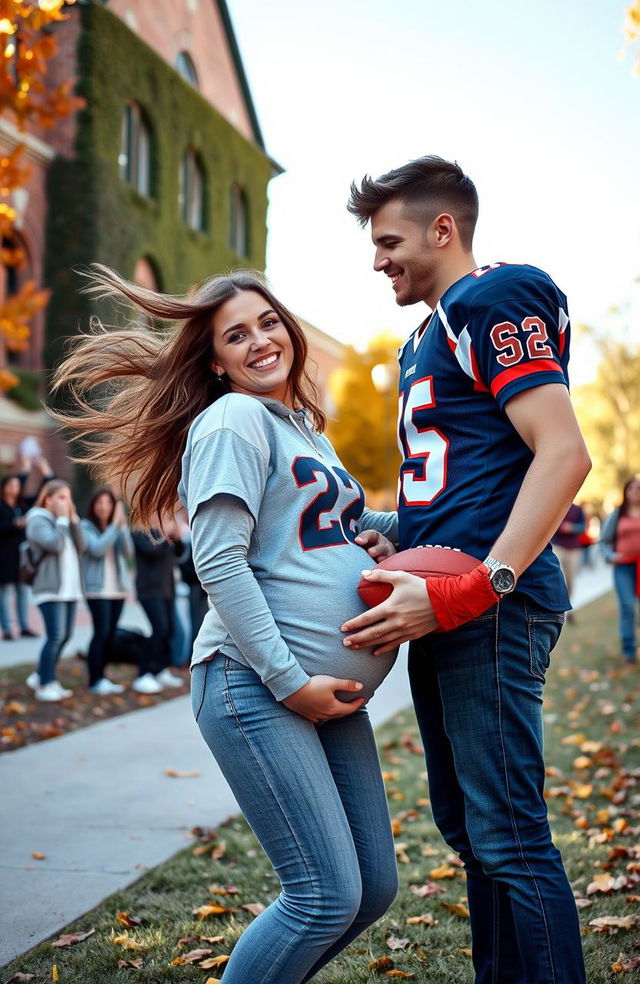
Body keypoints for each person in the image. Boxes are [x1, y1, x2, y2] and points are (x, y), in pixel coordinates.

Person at [50, 265, 399, 983]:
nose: (260, 340)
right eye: (236, 335)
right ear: (215, 360)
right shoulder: (232, 420)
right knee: (324, 895)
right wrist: (289, 680)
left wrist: (429, 524)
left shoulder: (301, 427)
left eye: (268, 322)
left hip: (322, 695)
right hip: (256, 686)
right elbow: (219, 563)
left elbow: (349, 525)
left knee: (372, 889)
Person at [343, 156, 591, 984]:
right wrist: (395, 538)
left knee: (510, 834)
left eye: (388, 240)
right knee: (468, 827)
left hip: (488, 603)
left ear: (442, 229)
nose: (378, 260)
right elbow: (456, 485)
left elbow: (564, 453)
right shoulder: (428, 330)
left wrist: (479, 584)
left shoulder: (493, 296)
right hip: (444, 599)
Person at [25, 480, 86, 701]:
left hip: (69, 589)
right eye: (61, 497)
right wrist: (62, 519)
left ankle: (43, 676)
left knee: (66, 635)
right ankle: (44, 685)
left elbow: (83, 546)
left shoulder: (65, 522)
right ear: (47, 498)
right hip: (50, 588)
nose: (66, 502)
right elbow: (55, 544)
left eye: (68, 498)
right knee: (55, 635)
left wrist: (74, 521)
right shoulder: (37, 520)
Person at [80, 487, 133, 694]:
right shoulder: (86, 527)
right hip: (97, 590)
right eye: (100, 503)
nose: (104, 507)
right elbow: (97, 549)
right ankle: (95, 680)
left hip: (117, 590)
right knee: (101, 633)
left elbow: (128, 552)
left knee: (110, 635)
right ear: (93, 506)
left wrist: (122, 526)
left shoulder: (116, 527)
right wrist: (114, 527)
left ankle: (102, 677)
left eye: (108, 504)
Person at [0, 455, 54, 640]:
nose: (13, 489)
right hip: (4, 558)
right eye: (10, 485)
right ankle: (7, 629)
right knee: (5, 593)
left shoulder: (23, 505)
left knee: (23, 592)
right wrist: (15, 524)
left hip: (21, 558)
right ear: (3, 488)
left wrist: (44, 471)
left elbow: (44, 493)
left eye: (16, 486)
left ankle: (24, 626)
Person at [131, 522, 185, 693]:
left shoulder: (163, 533)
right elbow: (151, 551)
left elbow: (179, 553)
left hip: (167, 589)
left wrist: (176, 538)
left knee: (169, 630)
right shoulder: (139, 530)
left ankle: (160, 669)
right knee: (159, 629)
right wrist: (166, 535)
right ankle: (143, 674)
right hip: (149, 590)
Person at [600, 475, 640, 664]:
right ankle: (629, 651)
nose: (635, 491)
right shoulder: (618, 514)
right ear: (626, 492)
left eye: (638, 488)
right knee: (627, 606)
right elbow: (604, 541)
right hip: (623, 568)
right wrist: (611, 556)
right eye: (631, 488)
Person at [552, 501, 587, 618]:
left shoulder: (578, 509)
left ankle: (569, 608)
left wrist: (571, 528)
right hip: (558, 546)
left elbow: (583, 527)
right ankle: (558, 608)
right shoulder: (556, 507)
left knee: (571, 581)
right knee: (559, 576)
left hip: (574, 549)